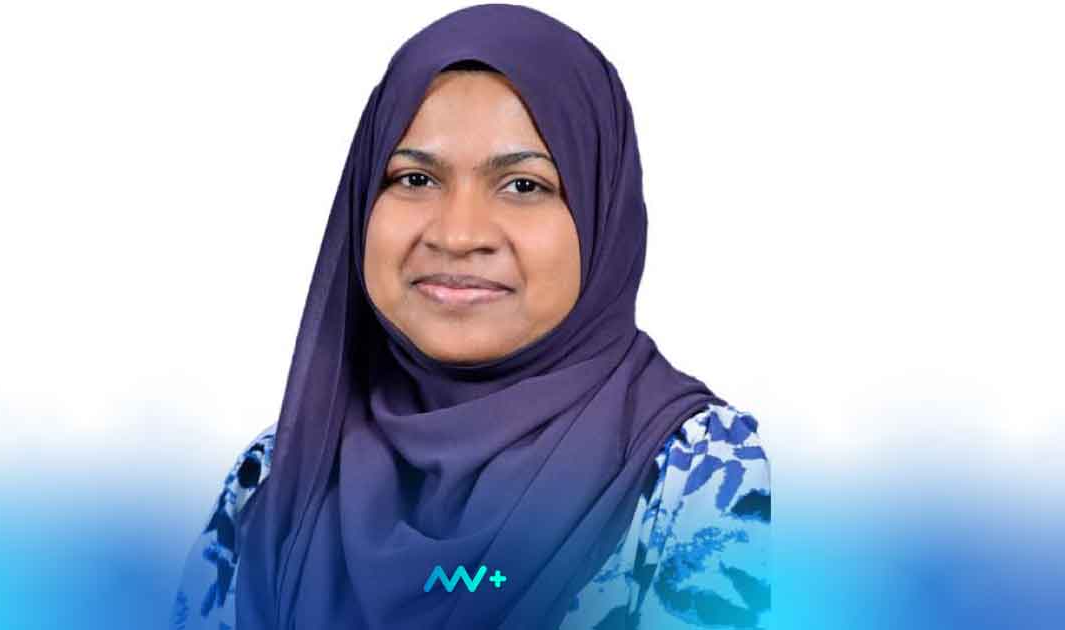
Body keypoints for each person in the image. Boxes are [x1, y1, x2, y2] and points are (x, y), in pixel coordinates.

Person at [171, 4, 770, 629]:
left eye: (524, 186)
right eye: (415, 178)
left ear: (603, 216)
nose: (457, 235)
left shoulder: (697, 473)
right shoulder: (280, 472)